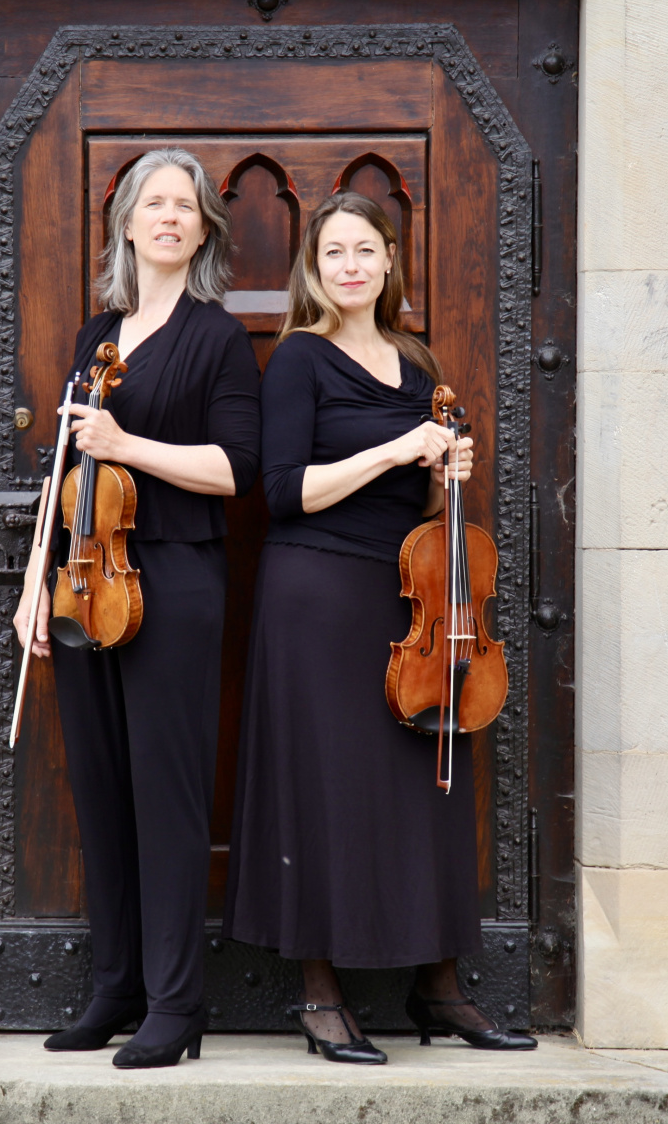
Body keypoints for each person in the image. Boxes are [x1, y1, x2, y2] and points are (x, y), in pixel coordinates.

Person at [223, 191, 537, 1062]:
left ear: (390, 258)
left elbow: (431, 506)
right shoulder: (298, 360)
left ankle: (437, 988)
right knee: (322, 787)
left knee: (422, 785)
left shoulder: (415, 358)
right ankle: (318, 993)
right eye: (333, 254)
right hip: (314, 597)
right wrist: (397, 449)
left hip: (409, 606)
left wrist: (448, 473)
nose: (350, 266)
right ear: (313, 269)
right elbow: (282, 492)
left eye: (364, 250)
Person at [14, 148, 260, 1069]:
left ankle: (176, 1004)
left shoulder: (217, 338)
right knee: (103, 791)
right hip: (86, 583)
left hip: (175, 582)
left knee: (165, 794)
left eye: (185, 205)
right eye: (152, 202)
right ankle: (114, 985)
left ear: (203, 229)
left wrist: (130, 440)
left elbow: (234, 471)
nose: (168, 216)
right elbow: (63, 471)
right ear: (125, 222)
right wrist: (39, 581)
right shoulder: (96, 336)